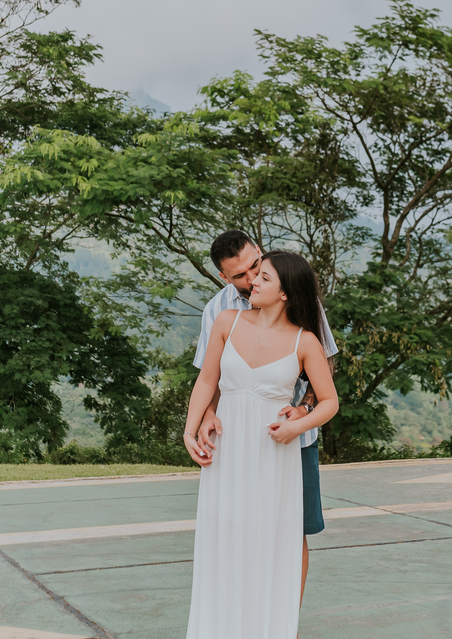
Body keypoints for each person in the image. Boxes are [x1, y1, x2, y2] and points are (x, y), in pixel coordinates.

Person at [183, 249, 339, 639]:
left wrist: (297, 422)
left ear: (285, 293)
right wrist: (192, 427)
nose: (253, 281)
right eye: (254, 276)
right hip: (227, 447)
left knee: (269, 540)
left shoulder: (305, 342)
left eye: (264, 277)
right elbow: (207, 380)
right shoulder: (225, 321)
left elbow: (330, 401)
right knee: (224, 535)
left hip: (274, 452)